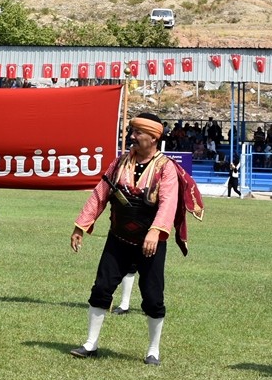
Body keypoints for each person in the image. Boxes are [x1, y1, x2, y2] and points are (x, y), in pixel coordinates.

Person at [70, 112, 203, 365]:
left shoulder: (166, 168)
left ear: (153, 137)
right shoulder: (119, 163)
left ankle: (153, 349)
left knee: (153, 297)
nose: (132, 136)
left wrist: (156, 231)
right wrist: (81, 225)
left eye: (138, 132)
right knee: (101, 289)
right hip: (118, 239)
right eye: (132, 131)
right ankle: (90, 343)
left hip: (151, 244)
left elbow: (168, 203)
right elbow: (100, 194)